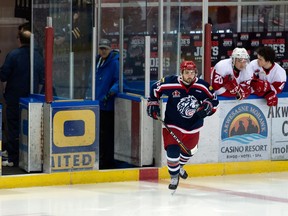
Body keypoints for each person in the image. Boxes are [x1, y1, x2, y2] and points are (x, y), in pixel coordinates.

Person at [146, 60, 219, 190]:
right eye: (187, 73)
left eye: (192, 73)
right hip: (173, 123)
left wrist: (207, 107)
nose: (190, 75)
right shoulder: (170, 82)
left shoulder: (202, 86)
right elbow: (155, 89)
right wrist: (153, 103)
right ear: (181, 73)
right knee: (172, 150)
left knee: (190, 150)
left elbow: (213, 100)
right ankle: (174, 176)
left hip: (193, 125)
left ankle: (179, 167)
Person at [0, 30, 44, 167]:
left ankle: (14, 157)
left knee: (14, 128)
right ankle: (30, 156)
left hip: (14, 98)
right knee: (30, 128)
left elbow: (3, 76)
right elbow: (43, 78)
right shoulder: (37, 56)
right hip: (33, 100)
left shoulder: (13, 55)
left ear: (19, 40)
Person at [91, 38, 120, 169]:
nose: (102, 51)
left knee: (106, 135)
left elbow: (119, 81)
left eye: (105, 49)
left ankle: (107, 160)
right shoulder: (98, 61)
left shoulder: (115, 63)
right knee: (99, 134)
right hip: (97, 103)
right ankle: (101, 158)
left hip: (106, 105)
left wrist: (110, 93)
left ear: (110, 49)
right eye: (101, 48)